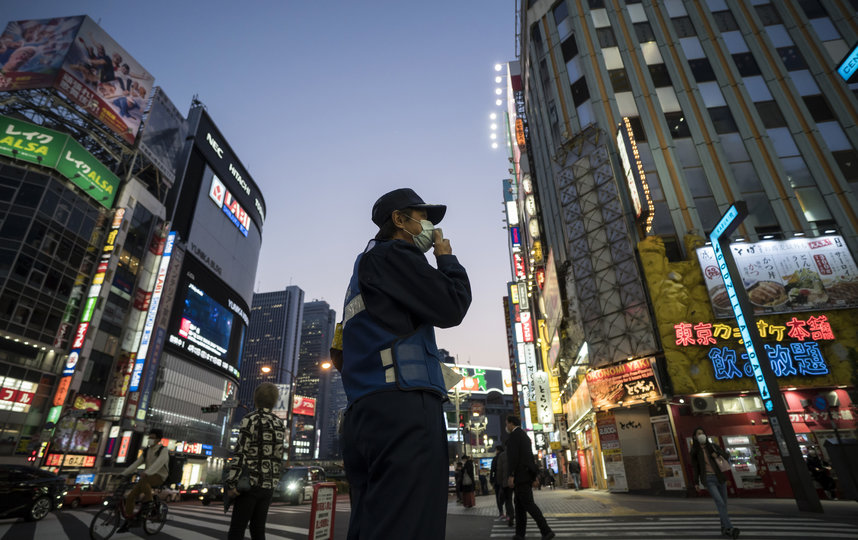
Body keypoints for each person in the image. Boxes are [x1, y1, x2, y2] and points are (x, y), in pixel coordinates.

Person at [340, 188, 472, 540]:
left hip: (363, 412)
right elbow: (452, 304)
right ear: (399, 220)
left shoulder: (361, 272)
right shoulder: (395, 254)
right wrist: (447, 259)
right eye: (422, 216)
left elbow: (339, 354)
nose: (429, 226)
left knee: (373, 524)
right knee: (412, 525)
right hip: (404, 407)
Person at [225, 383, 286, 540]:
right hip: (268, 485)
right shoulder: (279, 424)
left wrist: (232, 483)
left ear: (256, 398)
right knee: (258, 529)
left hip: (249, 483)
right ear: (274, 401)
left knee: (237, 528)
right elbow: (279, 455)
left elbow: (240, 452)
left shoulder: (249, 419)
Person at [505, 415, 555, 540]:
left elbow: (513, 458)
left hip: (520, 476)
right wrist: (533, 477)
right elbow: (529, 459)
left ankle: (546, 530)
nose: (506, 427)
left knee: (528, 505)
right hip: (525, 476)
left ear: (511, 424)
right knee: (520, 506)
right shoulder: (524, 436)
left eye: (506, 424)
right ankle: (519, 534)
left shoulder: (514, 437)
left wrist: (511, 475)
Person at [691, 427, 740, 539]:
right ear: (695, 437)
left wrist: (717, 454)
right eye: (699, 434)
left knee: (724, 504)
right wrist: (696, 482)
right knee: (720, 502)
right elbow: (695, 468)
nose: (701, 435)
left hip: (720, 478)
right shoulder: (695, 451)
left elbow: (726, 456)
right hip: (708, 479)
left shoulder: (712, 446)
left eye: (703, 433)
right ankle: (730, 528)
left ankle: (724, 528)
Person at [119, 428, 169, 532]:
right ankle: (129, 520)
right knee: (130, 497)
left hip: (159, 476)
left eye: (152, 438)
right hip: (147, 477)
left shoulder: (163, 450)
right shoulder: (147, 451)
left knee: (144, 481)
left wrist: (147, 472)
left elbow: (159, 463)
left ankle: (149, 502)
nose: (150, 439)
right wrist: (123, 473)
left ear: (158, 439)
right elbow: (136, 463)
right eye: (149, 437)